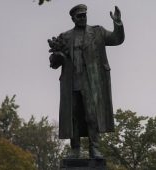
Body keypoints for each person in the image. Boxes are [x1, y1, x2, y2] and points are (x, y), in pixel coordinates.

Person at [48, 4, 124, 159]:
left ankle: (94, 148)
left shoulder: (97, 32)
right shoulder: (65, 37)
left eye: (84, 15)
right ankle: (75, 149)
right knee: (73, 116)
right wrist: (58, 57)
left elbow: (117, 39)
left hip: (91, 83)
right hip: (71, 83)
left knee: (92, 115)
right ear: (73, 18)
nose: (82, 18)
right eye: (79, 16)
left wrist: (118, 23)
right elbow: (54, 62)